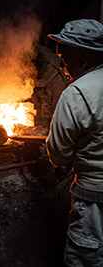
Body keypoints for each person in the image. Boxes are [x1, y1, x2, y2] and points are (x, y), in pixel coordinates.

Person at [46, 19, 103, 266]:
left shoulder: (76, 93)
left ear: (82, 54)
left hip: (93, 201)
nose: (61, 63)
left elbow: (58, 153)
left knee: (85, 258)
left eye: (64, 55)